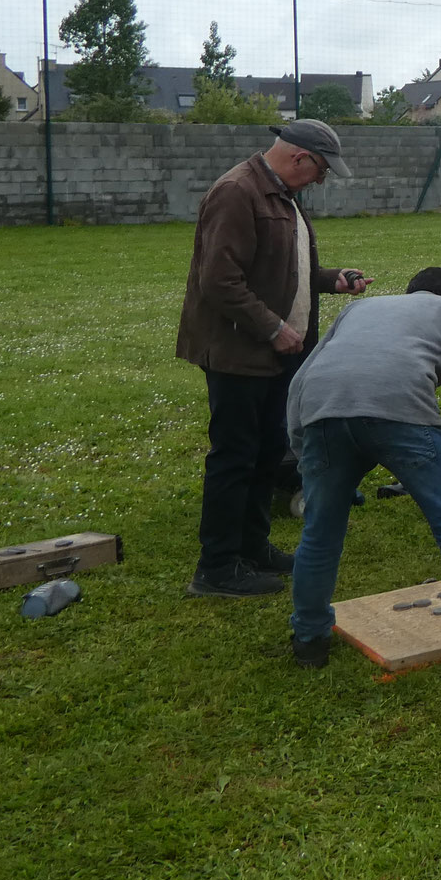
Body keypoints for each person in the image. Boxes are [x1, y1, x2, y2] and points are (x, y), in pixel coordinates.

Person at [284, 267, 441, 674]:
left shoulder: (360, 308)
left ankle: (309, 639)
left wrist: (305, 453)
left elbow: (303, 378)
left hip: (322, 407)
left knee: (320, 531)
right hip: (398, 407)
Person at [174, 118, 370, 599]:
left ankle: (253, 547)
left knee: (266, 454)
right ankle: (217, 566)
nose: (321, 180)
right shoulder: (237, 193)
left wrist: (329, 279)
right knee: (235, 457)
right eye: (321, 169)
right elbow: (218, 281)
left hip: (275, 355)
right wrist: (273, 327)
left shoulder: (281, 196)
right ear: (299, 157)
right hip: (239, 353)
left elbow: (283, 266)